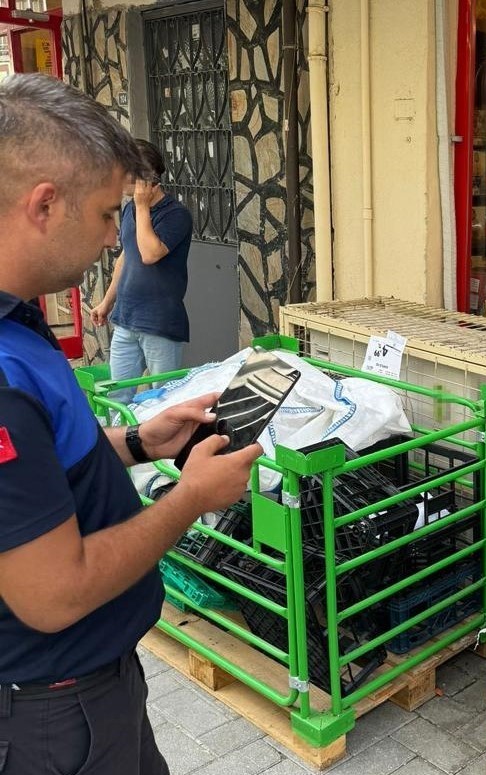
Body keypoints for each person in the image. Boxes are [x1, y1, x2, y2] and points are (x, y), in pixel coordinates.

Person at [0, 74, 262, 774]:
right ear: (44, 205)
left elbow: (50, 469)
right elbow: (53, 593)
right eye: (103, 214)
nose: (105, 237)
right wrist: (190, 499)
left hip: (90, 691)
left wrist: (142, 441)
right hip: (53, 712)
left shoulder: (20, 320)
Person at [92, 139, 193, 404]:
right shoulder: (128, 211)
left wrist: (141, 206)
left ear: (142, 177)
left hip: (159, 323)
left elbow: (149, 254)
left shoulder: (176, 215)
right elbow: (126, 258)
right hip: (126, 318)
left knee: (163, 399)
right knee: (117, 397)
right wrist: (106, 302)